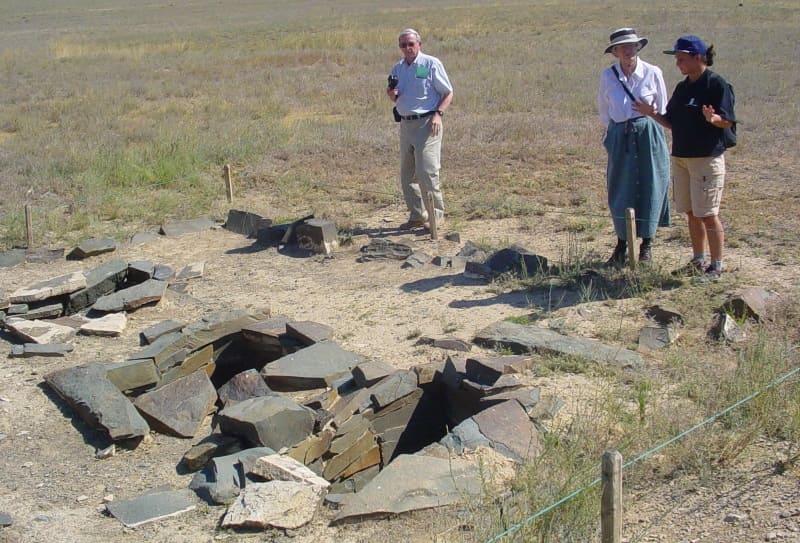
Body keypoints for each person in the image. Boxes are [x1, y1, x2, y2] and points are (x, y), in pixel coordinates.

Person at [635, 35, 736, 281]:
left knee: (708, 213)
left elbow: (728, 120)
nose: (678, 63)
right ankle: (698, 260)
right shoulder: (683, 87)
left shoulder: (716, 85)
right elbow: (672, 122)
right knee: (691, 212)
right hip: (681, 157)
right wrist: (652, 114)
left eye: (682, 58)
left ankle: (717, 266)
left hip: (705, 158)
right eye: (677, 59)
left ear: (698, 57)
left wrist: (713, 120)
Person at [598, 28, 670, 265]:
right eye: (623, 47)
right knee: (620, 186)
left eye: (633, 46)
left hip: (648, 133)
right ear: (615, 52)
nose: (629, 51)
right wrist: (615, 136)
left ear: (638, 48)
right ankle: (621, 244)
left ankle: (647, 244)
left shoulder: (652, 72)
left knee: (652, 183)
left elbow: (662, 107)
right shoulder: (608, 76)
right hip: (620, 135)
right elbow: (604, 111)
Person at [386, 28, 453, 230]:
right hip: (406, 124)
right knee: (407, 174)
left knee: (427, 171)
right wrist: (391, 94)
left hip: (427, 123)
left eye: (411, 44)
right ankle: (417, 215)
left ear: (419, 44)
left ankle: (436, 216)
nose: (407, 48)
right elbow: (396, 96)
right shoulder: (398, 68)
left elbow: (448, 92)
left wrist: (438, 115)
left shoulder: (431, 64)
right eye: (403, 45)